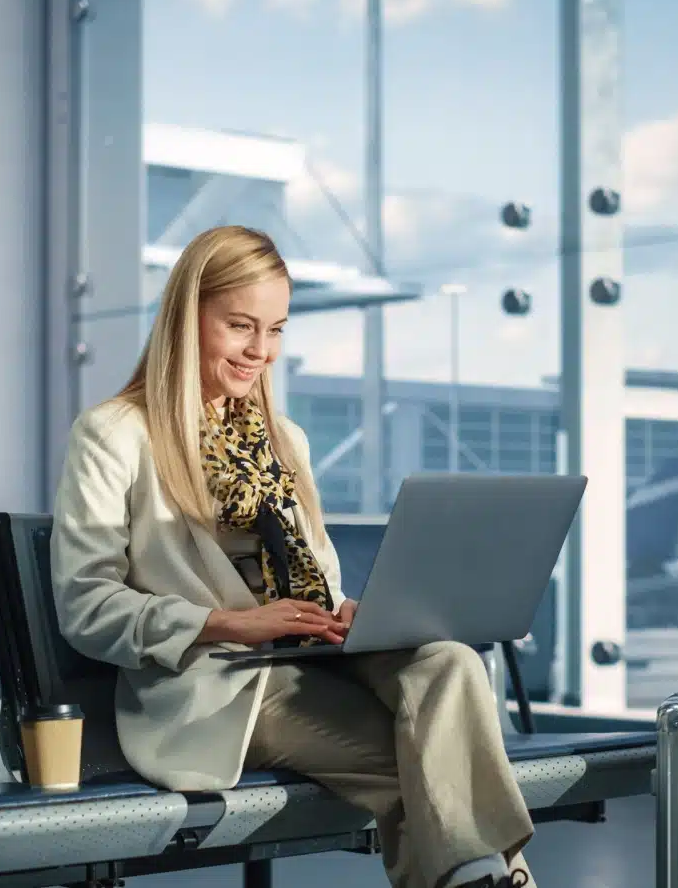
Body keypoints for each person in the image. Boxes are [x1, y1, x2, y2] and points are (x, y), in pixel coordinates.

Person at [50, 225, 536, 888]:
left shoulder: (285, 440)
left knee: (450, 661)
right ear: (187, 316)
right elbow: (86, 607)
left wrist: (350, 614)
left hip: (311, 656)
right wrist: (226, 622)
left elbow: (320, 579)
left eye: (276, 329)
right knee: (428, 769)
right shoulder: (114, 435)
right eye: (240, 326)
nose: (261, 351)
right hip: (218, 682)